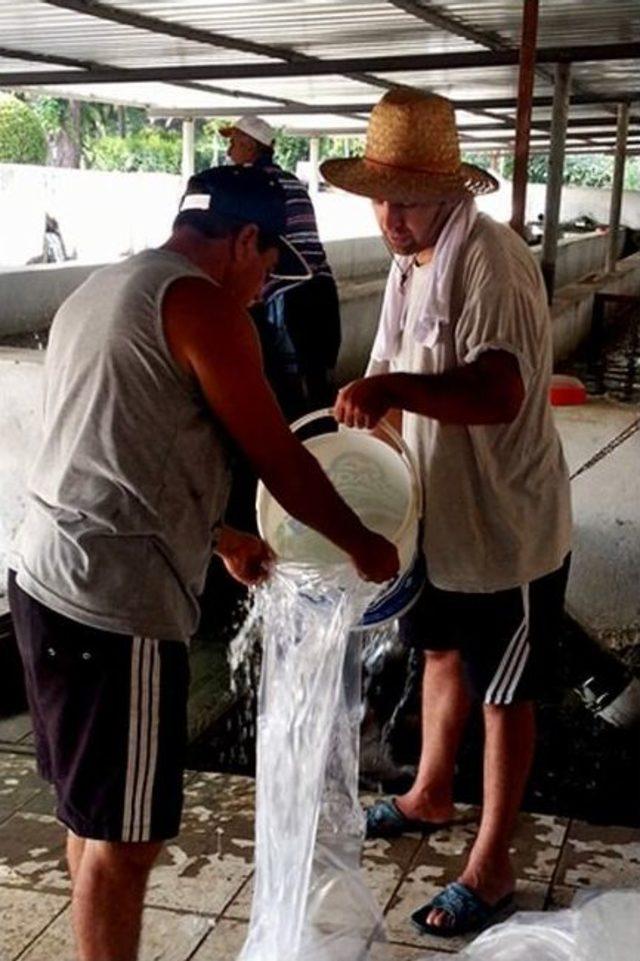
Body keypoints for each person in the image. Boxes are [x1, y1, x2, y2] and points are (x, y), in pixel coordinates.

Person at [8, 164, 398, 961]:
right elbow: (281, 458)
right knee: (127, 846)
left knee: (91, 818)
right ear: (244, 239)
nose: (262, 289)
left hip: (43, 579)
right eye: (265, 267)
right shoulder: (203, 306)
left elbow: (113, 442)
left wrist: (222, 535)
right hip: (116, 604)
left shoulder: (109, 285)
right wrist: (363, 543)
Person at [322, 88, 572, 938]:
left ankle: (493, 864)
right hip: (440, 518)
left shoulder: (488, 259)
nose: (389, 216)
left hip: (508, 526)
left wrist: (388, 387)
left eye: (406, 198)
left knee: (505, 692)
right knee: (437, 654)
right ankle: (431, 791)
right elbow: (392, 397)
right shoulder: (410, 261)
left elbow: (498, 391)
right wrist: (361, 473)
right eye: (378, 198)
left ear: (451, 190)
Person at [221, 114, 341, 417]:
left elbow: (244, 245)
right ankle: (326, 449)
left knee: (283, 389)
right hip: (322, 290)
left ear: (250, 146)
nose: (229, 151)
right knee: (318, 387)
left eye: (234, 143)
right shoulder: (294, 183)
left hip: (287, 296)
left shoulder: (249, 185)